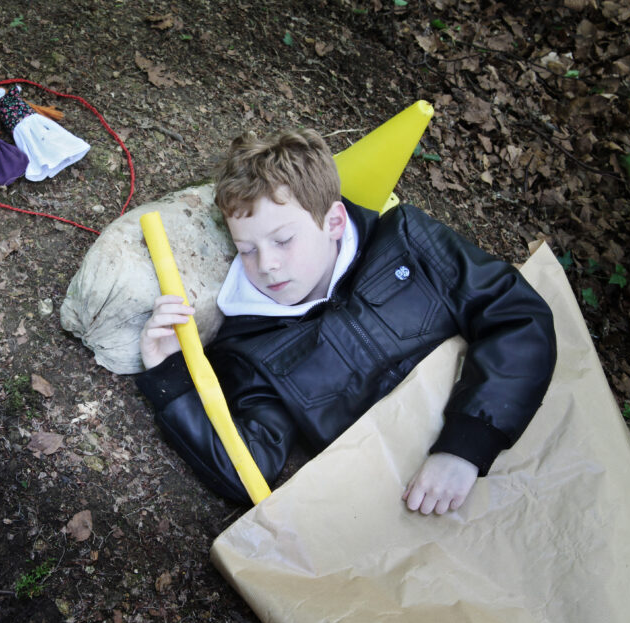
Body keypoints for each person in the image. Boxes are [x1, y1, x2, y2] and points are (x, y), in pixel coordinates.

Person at [135, 129, 557, 514]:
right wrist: (169, 378)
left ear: (333, 222)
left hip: (533, 448)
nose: (267, 265)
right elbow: (248, 469)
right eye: (247, 249)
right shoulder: (251, 346)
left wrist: (466, 446)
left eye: (283, 239)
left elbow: (517, 315)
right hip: (413, 513)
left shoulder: (410, 242)